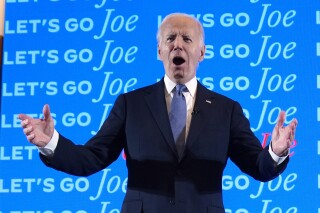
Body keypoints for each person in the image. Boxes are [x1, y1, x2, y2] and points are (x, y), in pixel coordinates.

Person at [18, 13, 298, 213]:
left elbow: (257, 166)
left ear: (201, 52)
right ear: (159, 50)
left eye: (187, 39)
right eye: (170, 38)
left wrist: (275, 150)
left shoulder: (227, 110)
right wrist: (51, 142)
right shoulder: (131, 104)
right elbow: (91, 158)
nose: (178, 44)